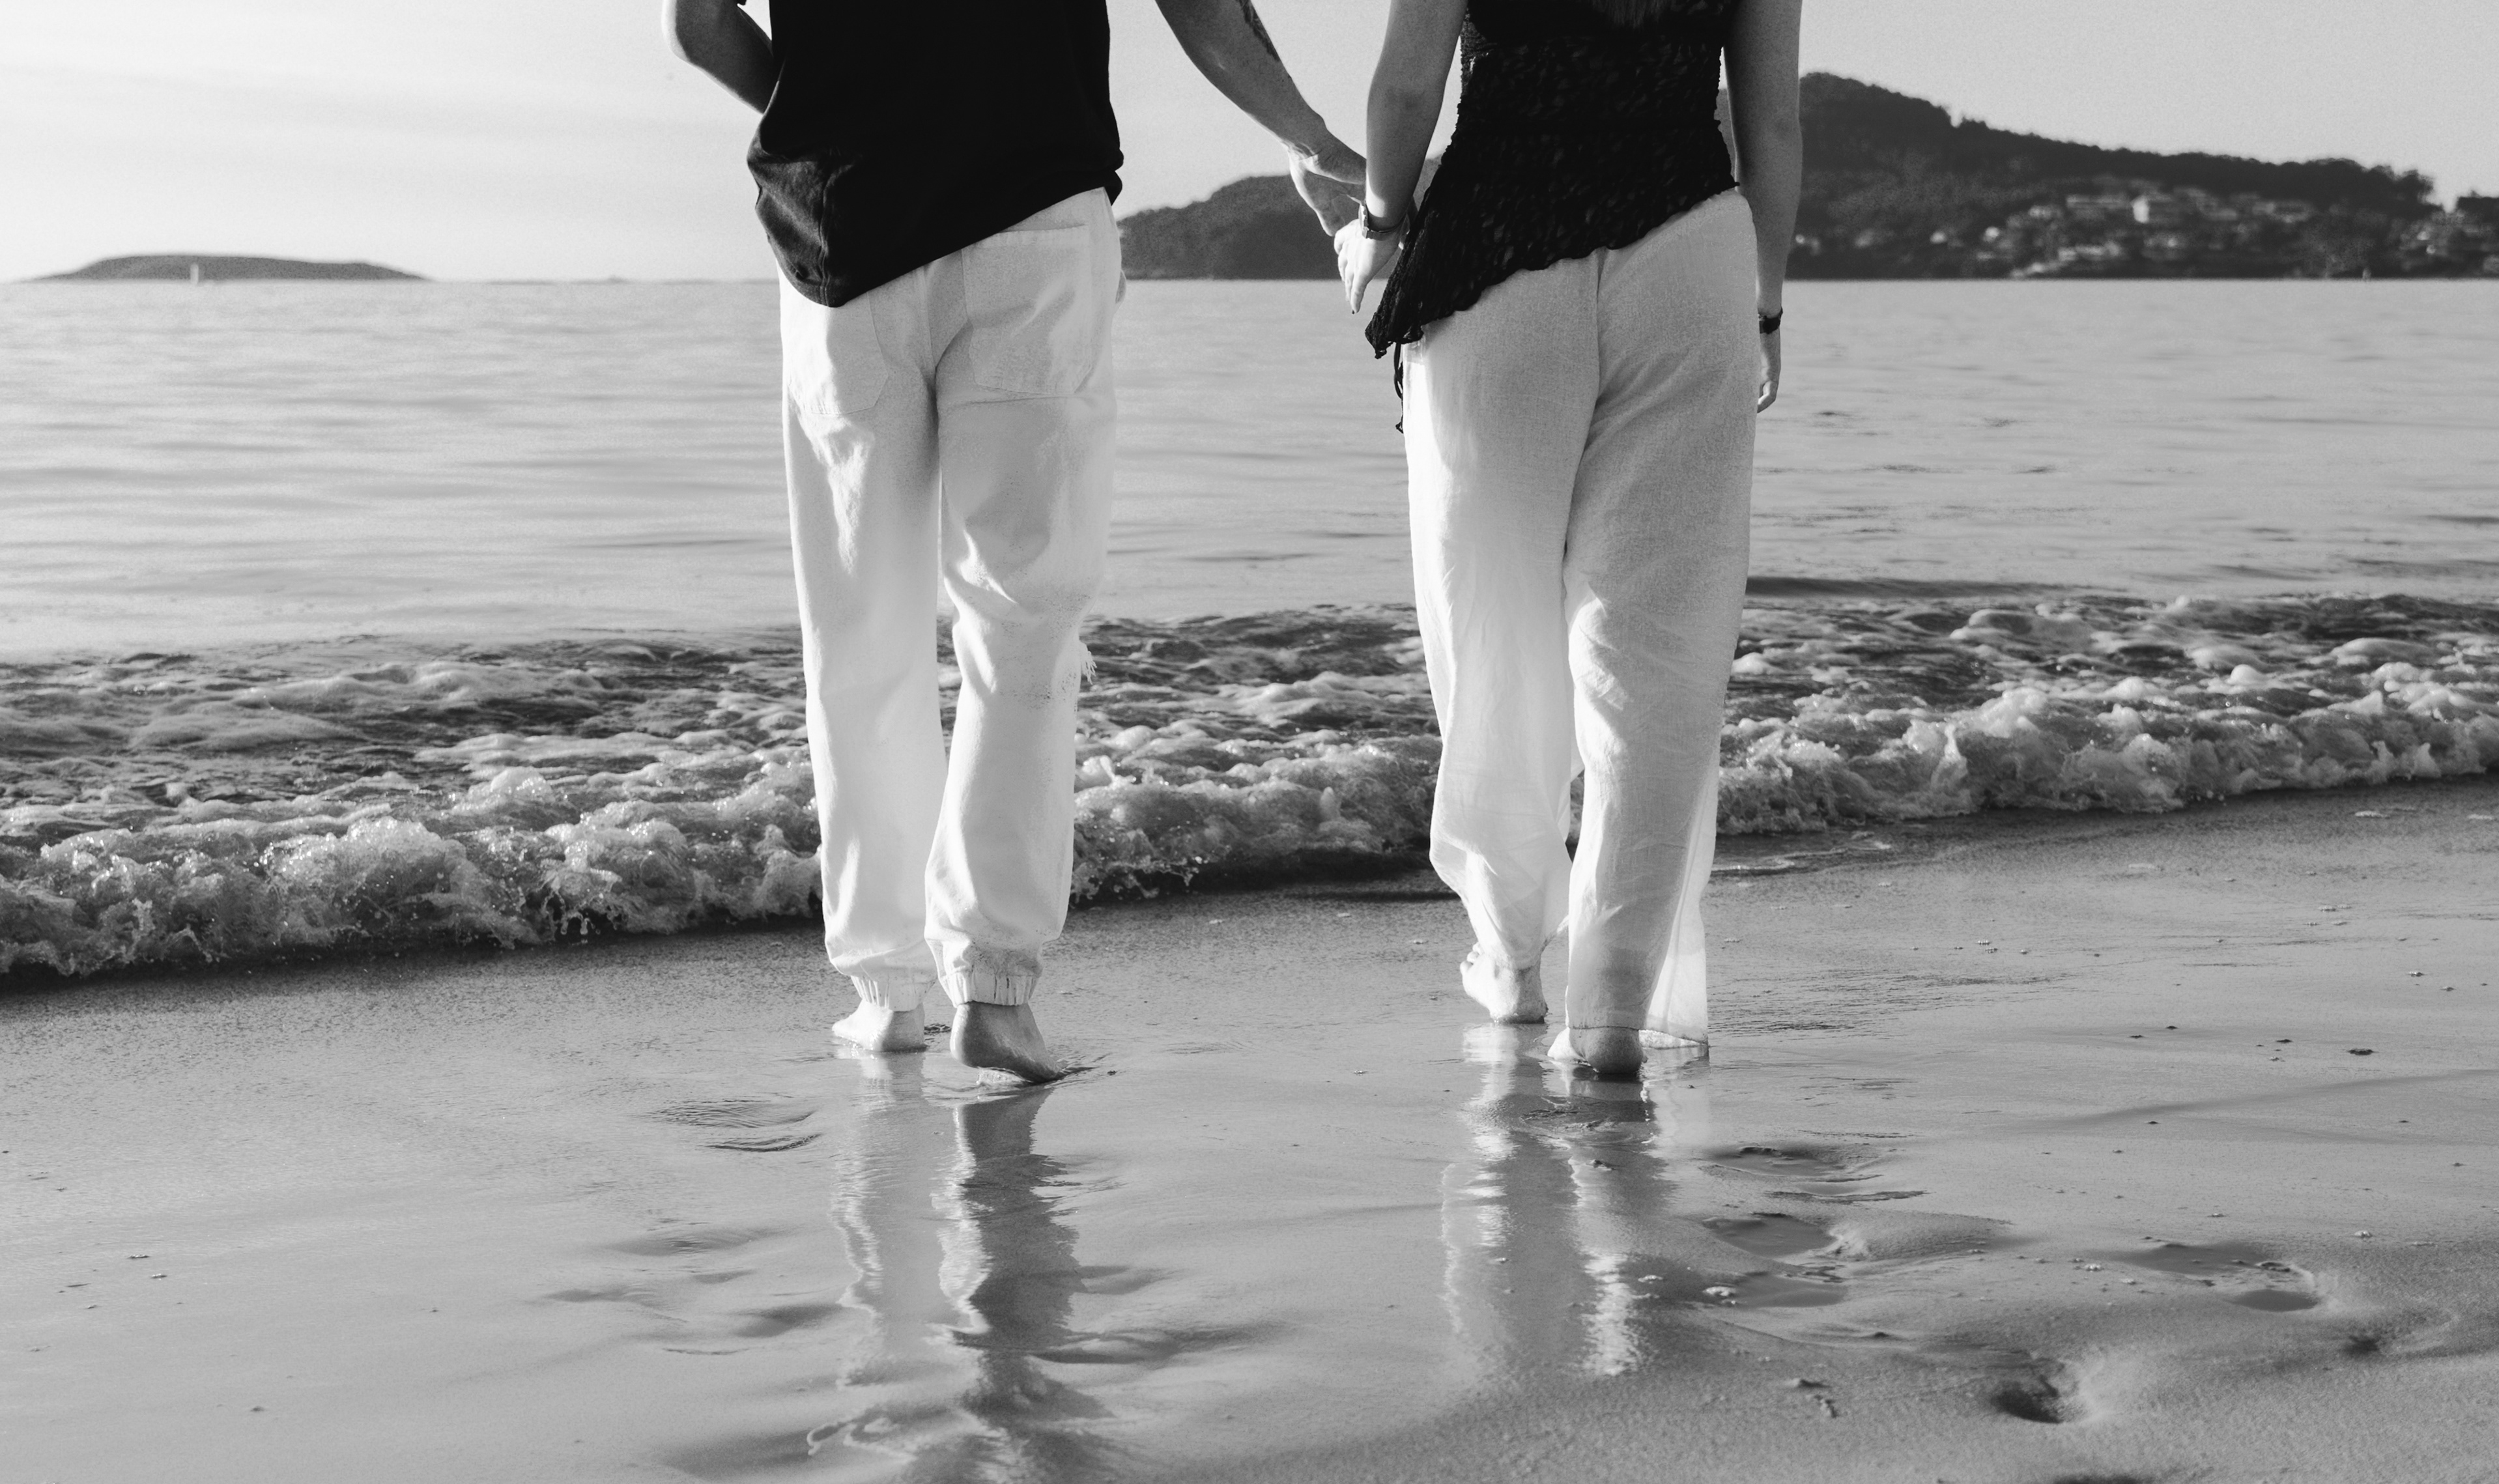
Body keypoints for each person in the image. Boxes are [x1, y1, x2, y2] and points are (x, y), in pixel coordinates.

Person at [664, 1, 1362, 1081]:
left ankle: (886, 989)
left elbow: (701, 23)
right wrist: (1308, 138)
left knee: (861, 627)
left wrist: (843, 108)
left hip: (844, 221)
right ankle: (995, 989)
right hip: (1031, 215)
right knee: (1024, 615)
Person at [1337, 0, 1801, 1076]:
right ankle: (1616, 1002)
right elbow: (1770, 125)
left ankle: (1510, 951)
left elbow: (1405, 86)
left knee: (1490, 629)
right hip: (1689, 252)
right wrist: (1767, 304)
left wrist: (1380, 223)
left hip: (1499, 251)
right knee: (1659, 655)